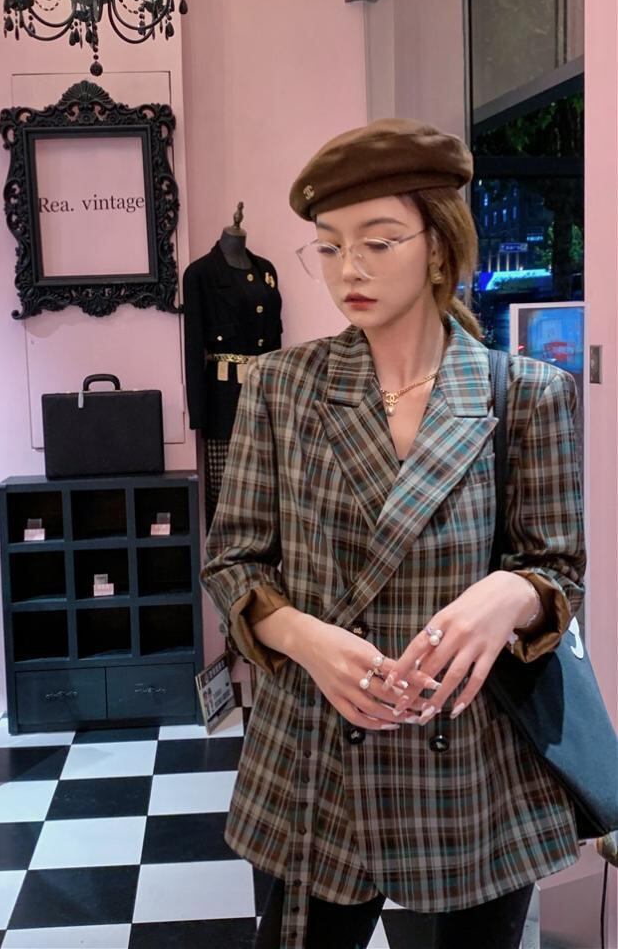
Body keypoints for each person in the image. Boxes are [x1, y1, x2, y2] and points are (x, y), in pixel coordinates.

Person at [202, 120, 587, 948]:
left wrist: (506, 593)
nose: (349, 268)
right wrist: (305, 638)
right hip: (314, 755)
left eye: (377, 241)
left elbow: (556, 567)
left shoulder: (526, 394)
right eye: (329, 245)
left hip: (472, 768)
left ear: (439, 247)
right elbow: (233, 559)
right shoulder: (281, 386)